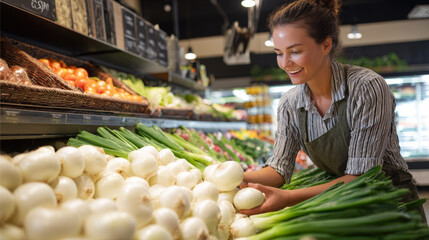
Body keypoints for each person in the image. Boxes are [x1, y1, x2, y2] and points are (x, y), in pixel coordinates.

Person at [240, 0, 426, 221]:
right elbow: (279, 170)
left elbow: (362, 177)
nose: (285, 63)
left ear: (326, 45)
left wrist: (288, 197)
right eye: (279, 53)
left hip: (390, 208)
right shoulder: (290, 103)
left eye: (295, 51)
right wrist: (233, 178)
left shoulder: (365, 88)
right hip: (342, 205)